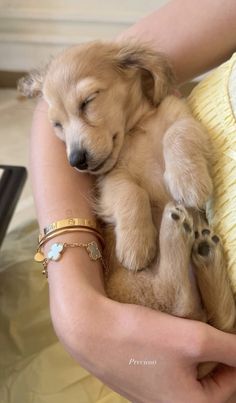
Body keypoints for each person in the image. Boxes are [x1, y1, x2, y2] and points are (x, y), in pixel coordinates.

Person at [30, 1, 236, 402]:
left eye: (88, 103)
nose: (73, 148)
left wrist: (181, 147)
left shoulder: (161, 106)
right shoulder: (117, 135)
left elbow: (183, 133)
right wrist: (78, 312)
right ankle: (186, 282)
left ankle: (189, 279)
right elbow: (54, 104)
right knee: (135, 276)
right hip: (151, 324)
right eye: (62, 125)